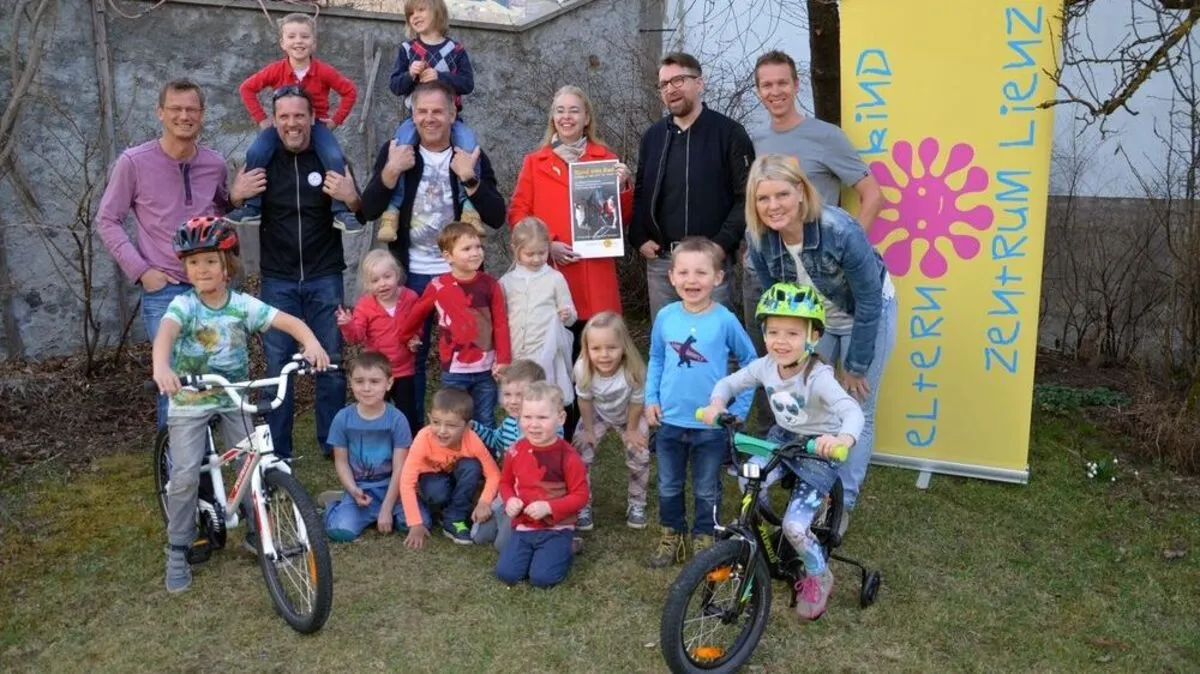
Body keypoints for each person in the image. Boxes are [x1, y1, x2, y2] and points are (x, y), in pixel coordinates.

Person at [150, 216, 330, 593]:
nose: (202, 269)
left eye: (211, 261)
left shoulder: (242, 305)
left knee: (253, 464)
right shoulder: (184, 306)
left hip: (233, 395)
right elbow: (165, 333)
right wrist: (161, 367)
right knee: (183, 476)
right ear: (185, 267)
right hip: (190, 397)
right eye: (194, 262)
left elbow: (288, 321)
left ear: (227, 265)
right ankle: (177, 549)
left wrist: (310, 341)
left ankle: (255, 528)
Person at [745, 154, 897, 533]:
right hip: (816, 321)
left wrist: (856, 364)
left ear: (800, 192)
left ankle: (841, 501)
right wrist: (788, 348)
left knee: (856, 405)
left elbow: (868, 300)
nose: (773, 206)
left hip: (867, 313)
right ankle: (811, 482)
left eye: (782, 194)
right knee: (811, 397)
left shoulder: (839, 229)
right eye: (763, 199)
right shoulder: (759, 238)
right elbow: (775, 296)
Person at [700, 282, 864, 620]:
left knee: (795, 527)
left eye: (792, 333)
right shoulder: (764, 366)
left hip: (818, 447)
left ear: (813, 337)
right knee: (749, 480)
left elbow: (852, 411)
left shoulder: (818, 377)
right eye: (773, 331)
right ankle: (754, 530)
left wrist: (842, 440)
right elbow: (731, 382)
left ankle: (819, 574)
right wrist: (717, 403)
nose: (781, 340)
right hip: (782, 436)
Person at [742, 50, 884, 431]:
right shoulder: (754, 139)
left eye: (782, 83)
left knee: (851, 398)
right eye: (766, 85)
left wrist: (849, 253)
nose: (775, 92)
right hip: (790, 284)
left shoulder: (826, 136)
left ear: (796, 84)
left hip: (838, 287)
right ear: (758, 91)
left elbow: (873, 195)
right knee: (801, 392)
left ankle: (842, 488)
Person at [358, 79, 507, 427]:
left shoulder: (470, 155)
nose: (429, 118)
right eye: (421, 111)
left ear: (453, 113)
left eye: (438, 111)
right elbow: (367, 209)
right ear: (412, 115)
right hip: (409, 275)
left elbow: (497, 216)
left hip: (460, 277)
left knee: (467, 356)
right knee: (410, 355)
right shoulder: (397, 149)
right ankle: (412, 433)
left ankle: (466, 434)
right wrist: (392, 170)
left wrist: (470, 178)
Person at [227, 86, 361, 460]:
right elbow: (230, 209)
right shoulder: (264, 161)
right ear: (274, 121)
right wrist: (235, 196)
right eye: (283, 117)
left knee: (330, 364)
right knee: (277, 367)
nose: (292, 123)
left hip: (325, 276)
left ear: (313, 118)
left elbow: (361, 212)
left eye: (299, 116)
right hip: (278, 280)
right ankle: (276, 450)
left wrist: (351, 196)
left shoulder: (330, 157)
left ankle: (332, 447)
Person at [96, 79, 230, 431]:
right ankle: (175, 474)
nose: (184, 116)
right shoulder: (134, 162)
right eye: (176, 109)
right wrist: (141, 271)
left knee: (211, 376)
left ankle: (206, 473)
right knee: (173, 379)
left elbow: (218, 214)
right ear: (161, 113)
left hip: (209, 291)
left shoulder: (214, 164)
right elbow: (107, 220)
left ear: (201, 116)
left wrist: (237, 199)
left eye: (191, 110)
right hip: (164, 290)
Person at [507, 85, 633, 439]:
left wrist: (622, 188)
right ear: (552, 117)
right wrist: (547, 246)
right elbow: (518, 213)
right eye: (560, 110)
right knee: (556, 356)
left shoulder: (605, 159)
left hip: (593, 275)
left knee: (590, 357)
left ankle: (588, 427)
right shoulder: (535, 162)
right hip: (553, 274)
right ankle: (549, 424)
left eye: (574, 110)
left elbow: (621, 221)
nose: (566, 117)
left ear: (586, 117)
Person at [644, 238, 757, 568]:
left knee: (707, 488)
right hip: (670, 421)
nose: (692, 280)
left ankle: (706, 535)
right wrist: (650, 398)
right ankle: (673, 534)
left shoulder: (724, 320)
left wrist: (736, 411)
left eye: (701, 272)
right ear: (672, 277)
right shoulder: (665, 317)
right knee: (668, 483)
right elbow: (655, 358)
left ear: (718, 278)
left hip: (710, 425)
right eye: (684, 272)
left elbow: (751, 365)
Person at [629, 53, 755, 320]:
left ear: (699, 83)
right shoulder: (652, 137)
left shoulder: (730, 133)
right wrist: (639, 236)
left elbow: (747, 197)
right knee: (670, 344)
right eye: (664, 84)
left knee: (715, 347)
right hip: (663, 264)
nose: (670, 89)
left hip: (710, 262)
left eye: (678, 80)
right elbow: (641, 192)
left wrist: (721, 245)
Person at [230, 13, 359, 233]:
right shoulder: (275, 70)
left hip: (315, 125)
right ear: (283, 43)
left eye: (304, 36)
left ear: (314, 42)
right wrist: (262, 119)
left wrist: (335, 121)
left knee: (334, 156)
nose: (298, 41)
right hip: (280, 127)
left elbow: (350, 91)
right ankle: (253, 207)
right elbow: (247, 88)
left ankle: (341, 211)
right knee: (255, 152)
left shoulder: (324, 71)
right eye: (291, 36)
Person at [380, 0, 482, 243]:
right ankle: (391, 212)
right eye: (410, 13)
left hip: (450, 121)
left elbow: (467, 83)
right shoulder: (407, 49)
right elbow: (395, 86)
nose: (415, 16)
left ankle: (469, 209)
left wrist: (441, 76)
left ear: (438, 12)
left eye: (421, 10)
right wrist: (410, 74)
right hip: (414, 120)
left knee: (469, 145)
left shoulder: (455, 50)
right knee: (400, 149)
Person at [396, 222, 510, 427]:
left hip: (487, 369)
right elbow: (416, 315)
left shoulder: (491, 284)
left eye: (478, 247)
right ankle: (454, 457)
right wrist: (406, 337)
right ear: (448, 256)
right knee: (454, 418)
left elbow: (501, 323)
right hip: (455, 369)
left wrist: (503, 359)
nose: (475, 253)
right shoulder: (438, 286)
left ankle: (486, 458)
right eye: (467, 249)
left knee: (485, 419)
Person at [494, 382, 590, 589]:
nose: (534, 424)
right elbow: (505, 482)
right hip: (524, 526)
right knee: (506, 574)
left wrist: (549, 507)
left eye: (542, 418)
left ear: (560, 419)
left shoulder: (568, 457)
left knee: (542, 579)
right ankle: (542, 553)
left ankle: (569, 545)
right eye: (527, 417)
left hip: (556, 527)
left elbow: (581, 495)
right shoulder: (515, 450)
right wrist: (510, 498)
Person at [324, 352, 414, 542]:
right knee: (340, 531)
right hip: (360, 490)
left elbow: (400, 468)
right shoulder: (342, 418)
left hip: (393, 490)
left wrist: (387, 509)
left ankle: (380, 512)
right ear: (350, 382)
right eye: (359, 381)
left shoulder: (397, 419)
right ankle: (334, 505)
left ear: (389, 383)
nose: (366, 388)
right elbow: (341, 462)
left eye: (374, 382)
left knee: (412, 523)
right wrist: (353, 489)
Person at [572, 312, 650, 530]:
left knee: (640, 454)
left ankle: (637, 503)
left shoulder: (634, 370)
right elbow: (584, 400)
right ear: (586, 348)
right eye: (595, 348)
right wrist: (588, 429)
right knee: (579, 453)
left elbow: (637, 402)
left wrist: (633, 430)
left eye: (611, 347)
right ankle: (582, 505)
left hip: (630, 413)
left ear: (624, 346)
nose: (604, 355)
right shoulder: (582, 368)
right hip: (597, 411)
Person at [399, 387, 500, 546]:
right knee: (437, 491)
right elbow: (406, 481)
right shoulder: (423, 439)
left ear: (467, 426)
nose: (442, 431)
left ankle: (455, 518)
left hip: (458, 477)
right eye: (436, 422)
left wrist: (484, 502)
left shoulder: (472, 439)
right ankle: (443, 510)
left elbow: (494, 473)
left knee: (472, 466)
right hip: (433, 479)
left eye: (452, 425)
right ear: (429, 418)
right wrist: (415, 523)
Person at [336, 250, 420, 432]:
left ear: (397, 274)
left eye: (387, 277)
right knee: (374, 412)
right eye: (375, 280)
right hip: (376, 371)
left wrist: (415, 339)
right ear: (367, 284)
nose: (382, 284)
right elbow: (355, 337)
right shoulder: (365, 305)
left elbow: (417, 324)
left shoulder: (410, 298)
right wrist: (347, 325)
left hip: (404, 370)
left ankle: (410, 450)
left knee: (408, 416)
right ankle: (375, 444)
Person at [500, 217, 577, 407]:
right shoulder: (506, 282)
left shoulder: (555, 278)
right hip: (517, 350)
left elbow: (571, 315)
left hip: (545, 351)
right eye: (530, 254)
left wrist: (567, 315)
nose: (536, 259)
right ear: (515, 250)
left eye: (542, 253)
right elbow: (501, 318)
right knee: (518, 400)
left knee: (544, 398)